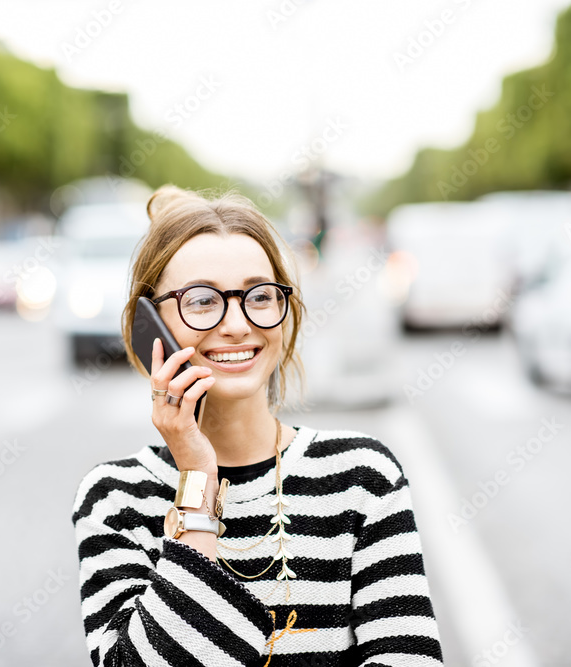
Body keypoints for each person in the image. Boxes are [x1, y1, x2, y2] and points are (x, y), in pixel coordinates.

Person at [72, 185, 444, 666]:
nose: (237, 324)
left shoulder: (363, 477)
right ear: (150, 324)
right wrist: (198, 478)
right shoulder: (114, 498)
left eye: (259, 296)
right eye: (203, 300)